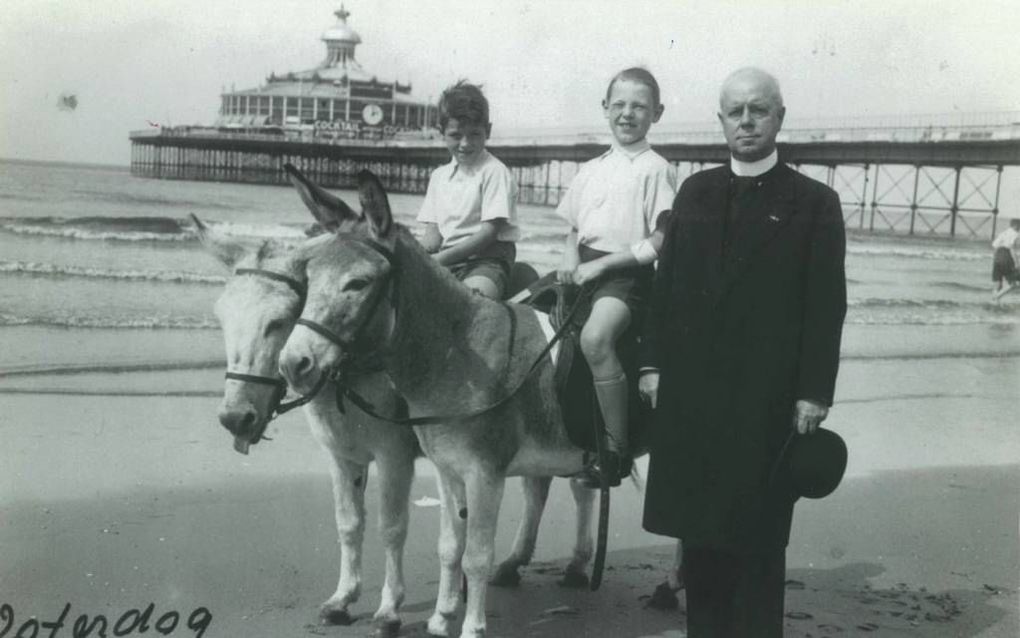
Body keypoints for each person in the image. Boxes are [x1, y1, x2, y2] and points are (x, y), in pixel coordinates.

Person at [639, 67, 847, 637]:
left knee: (759, 540)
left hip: (767, 399)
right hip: (695, 396)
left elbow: (827, 308)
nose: (747, 121)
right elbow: (666, 285)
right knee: (701, 537)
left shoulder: (814, 202)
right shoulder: (695, 191)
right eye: (736, 111)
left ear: (780, 116)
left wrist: (813, 392)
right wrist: (652, 364)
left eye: (759, 110)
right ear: (721, 120)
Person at [556, 67, 678, 486]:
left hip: (626, 276)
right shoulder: (591, 168)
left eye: (639, 106)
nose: (628, 114)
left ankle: (616, 449)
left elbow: (660, 242)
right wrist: (570, 260)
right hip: (585, 270)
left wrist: (601, 266)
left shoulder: (655, 168)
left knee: (594, 339)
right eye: (620, 105)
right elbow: (573, 229)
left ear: (656, 114)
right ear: (605, 109)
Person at [417, 80, 520, 299]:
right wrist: (413, 255)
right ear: (441, 132)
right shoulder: (439, 176)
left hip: (487, 260)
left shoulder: (494, 171)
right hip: (446, 258)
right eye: (456, 135)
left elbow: (488, 234)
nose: (465, 143)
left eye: (474, 134)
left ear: (488, 131)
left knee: (471, 301)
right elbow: (432, 235)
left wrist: (438, 261)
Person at [991, 218, 1020, 296]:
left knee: (998, 284)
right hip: (1006, 256)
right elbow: (1011, 248)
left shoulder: (1003, 233)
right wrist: (1016, 263)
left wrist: (996, 259)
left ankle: (994, 303)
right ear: (1016, 226)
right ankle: (997, 297)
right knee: (1013, 283)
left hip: (997, 257)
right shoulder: (1014, 233)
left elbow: (994, 246)